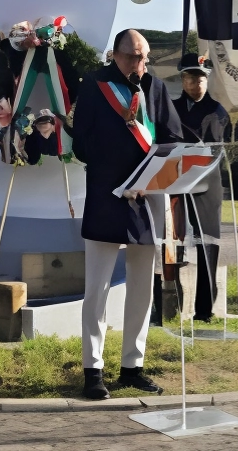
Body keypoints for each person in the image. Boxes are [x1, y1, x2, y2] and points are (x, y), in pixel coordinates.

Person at [71, 29, 182, 400]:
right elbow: (82, 144)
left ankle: (133, 366)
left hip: (147, 197)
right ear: (114, 55)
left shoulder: (156, 87)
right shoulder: (94, 85)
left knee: (141, 287)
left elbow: (171, 137)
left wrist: (150, 176)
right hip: (107, 195)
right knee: (97, 289)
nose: (141, 64)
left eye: (144, 56)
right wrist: (116, 170)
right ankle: (93, 370)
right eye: (134, 56)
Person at [171, 52, 230, 321]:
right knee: (172, 242)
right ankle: (170, 301)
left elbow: (214, 142)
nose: (196, 83)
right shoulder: (171, 108)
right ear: (182, 79)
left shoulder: (217, 111)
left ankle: (204, 309)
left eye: (201, 78)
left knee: (207, 244)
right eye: (190, 77)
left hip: (206, 182)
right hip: (174, 178)